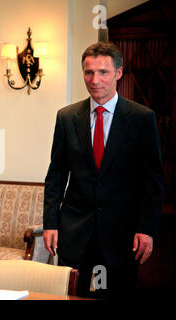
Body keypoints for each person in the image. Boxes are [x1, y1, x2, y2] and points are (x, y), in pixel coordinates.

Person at [43, 42, 163, 298]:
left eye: (103, 72)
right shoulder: (66, 117)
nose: (95, 80)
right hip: (74, 233)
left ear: (118, 73)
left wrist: (147, 228)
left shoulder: (142, 118)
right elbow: (56, 175)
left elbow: (151, 181)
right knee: (73, 296)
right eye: (88, 72)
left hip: (122, 235)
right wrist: (50, 223)